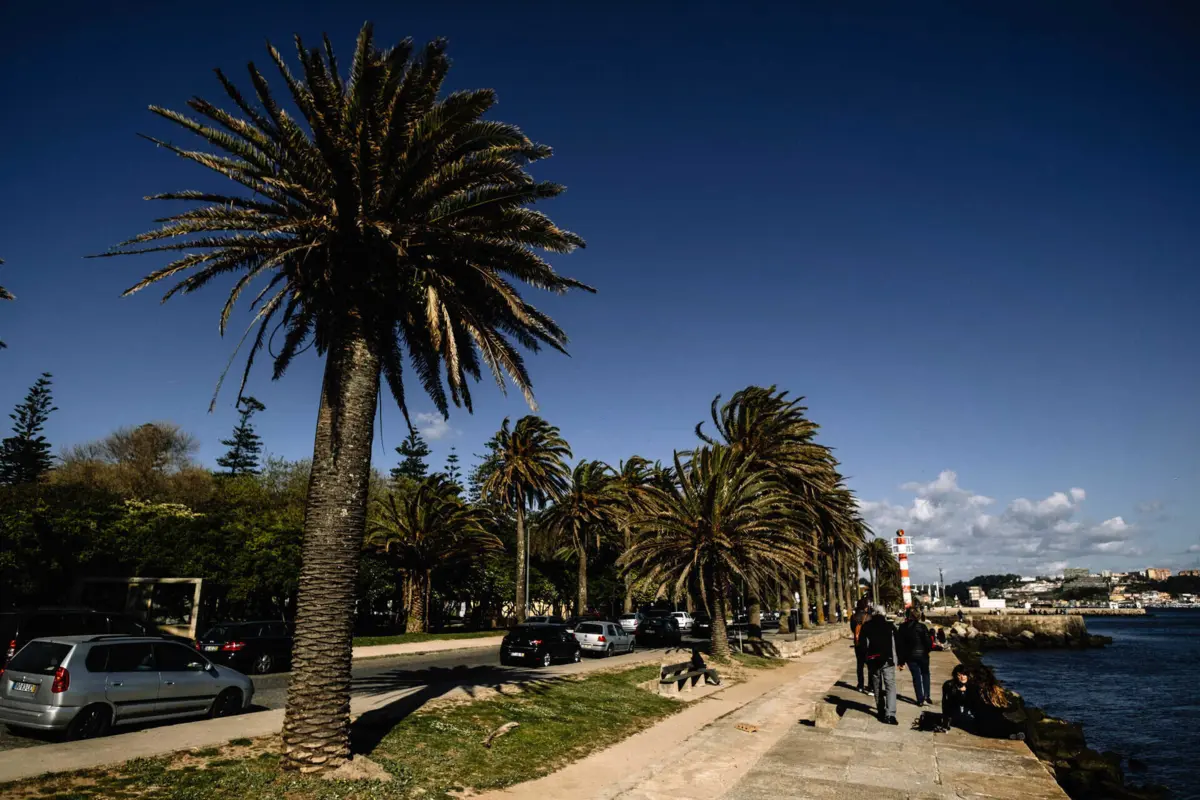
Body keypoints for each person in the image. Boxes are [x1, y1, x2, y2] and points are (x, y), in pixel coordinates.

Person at [939, 665, 1024, 740]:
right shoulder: (991, 691)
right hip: (986, 725)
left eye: (964, 675)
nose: (962, 677)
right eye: (959, 675)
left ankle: (1011, 734)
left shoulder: (972, 688)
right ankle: (1012, 733)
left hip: (981, 727)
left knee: (994, 723)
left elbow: (965, 703)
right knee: (1008, 724)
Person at [859, 604, 899, 725]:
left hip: (873, 660)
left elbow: (863, 645)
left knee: (877, 686)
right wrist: (898, 660)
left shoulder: (866, 626)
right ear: (883, 614)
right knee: (890, 686)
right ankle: (890, 715)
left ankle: (880, 711)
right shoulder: (889, 625)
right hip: (887, 659)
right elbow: (895, 644)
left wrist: (866, 660)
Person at [897, 607, 933, 706]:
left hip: (910, 656)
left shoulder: (902, 627)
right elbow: (928, 642)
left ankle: (920, 699)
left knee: (916, 676)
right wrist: (928, 650)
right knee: (925, 673)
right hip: (923, 655)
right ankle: (926, 695)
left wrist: (901, 661)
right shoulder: (922, 627)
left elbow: (900, 645)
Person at [849, 599, 872, 693]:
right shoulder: (869, 616)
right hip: (868, 643)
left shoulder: (853, 617)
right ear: (865, 606)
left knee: (860, 665)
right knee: (870, 666)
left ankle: (860, 685)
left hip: (858, 643)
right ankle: (870, 686)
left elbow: (852, 629)